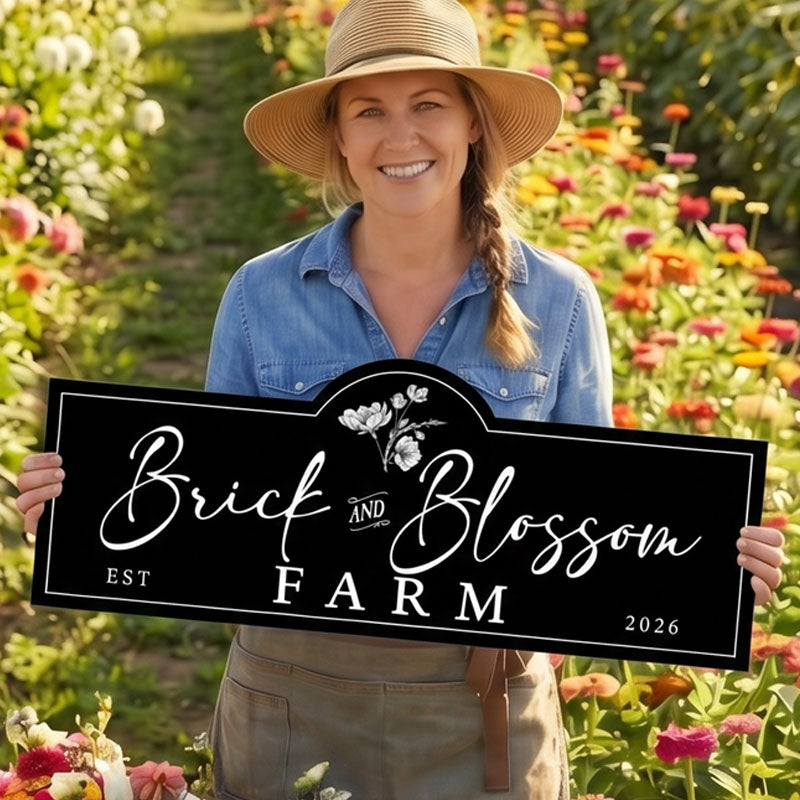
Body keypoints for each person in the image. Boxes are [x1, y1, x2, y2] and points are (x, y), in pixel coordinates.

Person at [15, 0, 785, 797]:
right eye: (369, 111)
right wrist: (86, 507)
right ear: (340, 138)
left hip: (485, 715)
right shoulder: (261, 295)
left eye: (429, 106)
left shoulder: (558, 300)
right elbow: (210, 518)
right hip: (294, 699)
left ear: (473, 124)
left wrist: (710, 562)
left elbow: (598, 519)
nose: (400, 136)